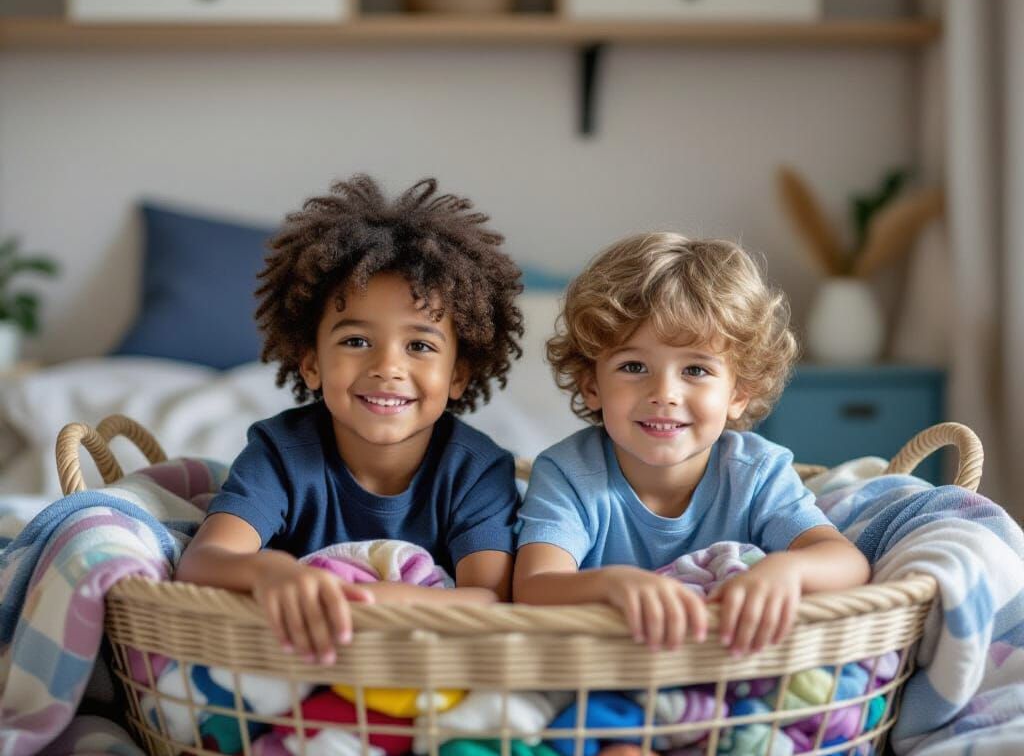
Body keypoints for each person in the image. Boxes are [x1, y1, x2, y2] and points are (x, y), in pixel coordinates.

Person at [177, 175, 524, 664]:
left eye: (420, 345)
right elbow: (201, 563)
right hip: (300, 662)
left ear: (458, 375)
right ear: (312, 362)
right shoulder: (281, 452)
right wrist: (273, 572)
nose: (387, 366)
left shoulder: (478, 470)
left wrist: (391, 603)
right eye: (357, 341)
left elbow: (491, 600)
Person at [513, 233, 870, 655]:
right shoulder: (568, 473)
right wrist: (611, 583)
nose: (664, 393)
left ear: (739, 393)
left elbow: (849, 562)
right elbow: (532, 589)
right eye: (633, 366)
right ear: (592, 385)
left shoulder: (755, 472)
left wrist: (787, 570)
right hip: (607, 667)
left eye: (696, 370)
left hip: (727, 662)